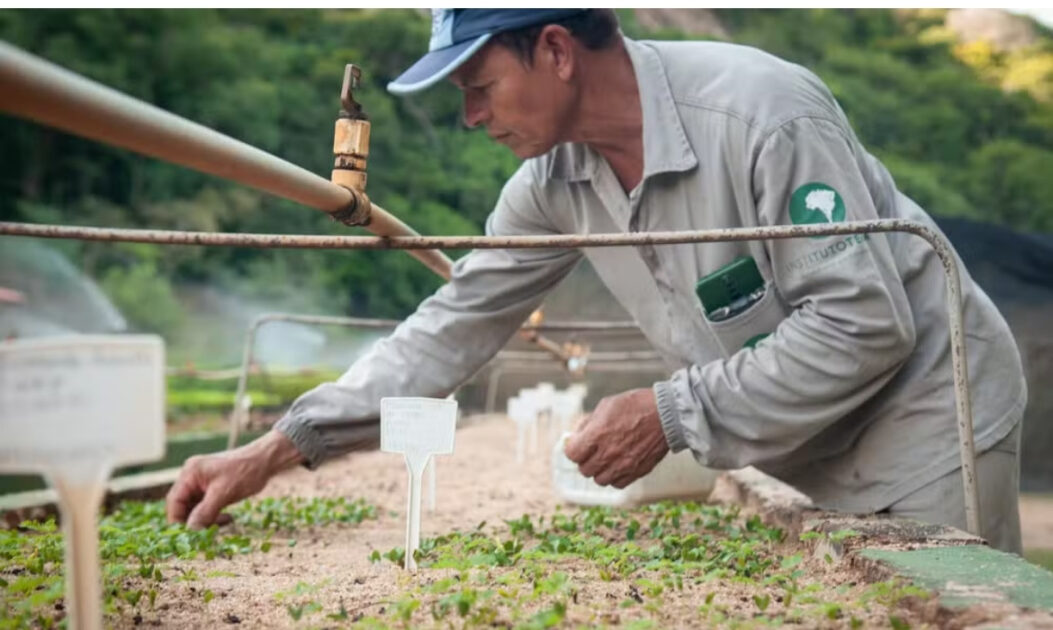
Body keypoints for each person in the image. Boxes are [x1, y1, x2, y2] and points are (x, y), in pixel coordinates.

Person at [166, 9, 1027, 553]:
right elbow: (452, 325)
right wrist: (275, 448)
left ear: (554, 49)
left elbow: (863, 327)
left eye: (479, 87)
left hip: (922, 422)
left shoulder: (760, 114)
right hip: (801, 442)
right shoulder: (551, 186)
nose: (470, 117)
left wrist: (670, 412)